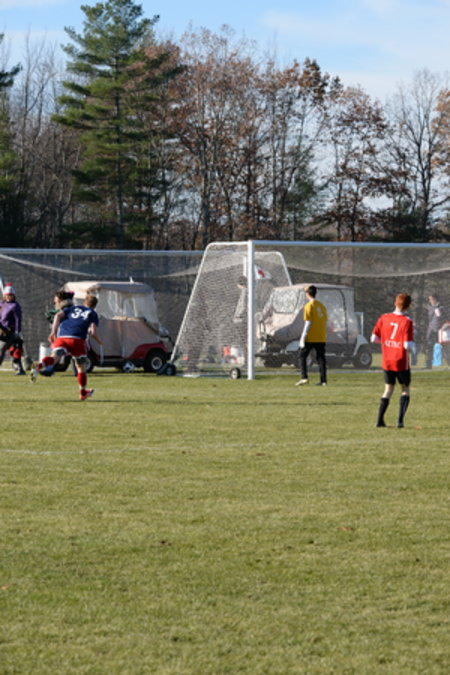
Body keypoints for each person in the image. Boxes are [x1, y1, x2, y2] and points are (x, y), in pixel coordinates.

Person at [30, 289, 99, 400]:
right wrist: (93, 336)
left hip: (62, 337)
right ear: (94, 306)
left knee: (54, 358)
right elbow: (93, 331)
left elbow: (57, 316)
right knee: (81, 367)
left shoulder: (72, 308)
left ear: (84, 303)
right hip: (77, 340)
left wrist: (53, 331)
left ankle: (38, 366)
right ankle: (82, 393)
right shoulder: (93, 313)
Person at [371, 293, 415, 428]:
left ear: (395, 303)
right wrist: (412, 347)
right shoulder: (407, 321)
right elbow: (407, 345)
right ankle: (400, 421)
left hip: (387, 360)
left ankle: (380, 421)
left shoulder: (384, 317)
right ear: (408, 306)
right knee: (405, 389)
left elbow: (373, 338)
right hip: (401, 361)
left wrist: (387, 342)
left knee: (388, 389)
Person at [295, 284, 328, 386]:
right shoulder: (321, 306)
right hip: (321, 336)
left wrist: (303, 336)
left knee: (301, 356)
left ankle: (304, 377)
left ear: (308, 294)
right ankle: (323, 380)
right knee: (321, 358)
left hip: (311, 336)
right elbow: (325, 320)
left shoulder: (308, 306)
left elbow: (308, 322)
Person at [0, 283, 25, 375]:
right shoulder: (2, 304)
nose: (8, 297)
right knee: (14, 349)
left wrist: (17, 331)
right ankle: (21, 370)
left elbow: (18, 319)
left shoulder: (15, 306)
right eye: (7, 295)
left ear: (14, 296)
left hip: (9, 331)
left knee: (1, 349)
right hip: (1, 330)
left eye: (10, 295)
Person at [426, 294, 448, 368]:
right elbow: (429, 319)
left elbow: (446, 317)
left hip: (440, 330)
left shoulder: (442, 307)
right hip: (431, 330)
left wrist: (446, 325)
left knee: (444, 347)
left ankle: (449, 363)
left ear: (435, 299)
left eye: (431, 299)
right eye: (429, 299)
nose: (430, 301)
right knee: (429, 347)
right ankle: (428, 364)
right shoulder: (430, 307)